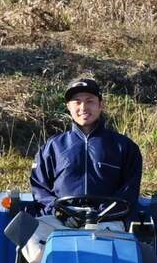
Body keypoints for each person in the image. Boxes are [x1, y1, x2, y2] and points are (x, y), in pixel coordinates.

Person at [29, 78, 142, 213]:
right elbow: (39, 188)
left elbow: (130, 189)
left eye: (90, 101)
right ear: (68, 107)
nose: (83, 107)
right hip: (59, 219)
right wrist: (58, 211)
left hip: (109, 220)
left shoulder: (124, 147)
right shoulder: (52, 147)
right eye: (77, 102)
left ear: (100, 105)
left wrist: (106, 212)